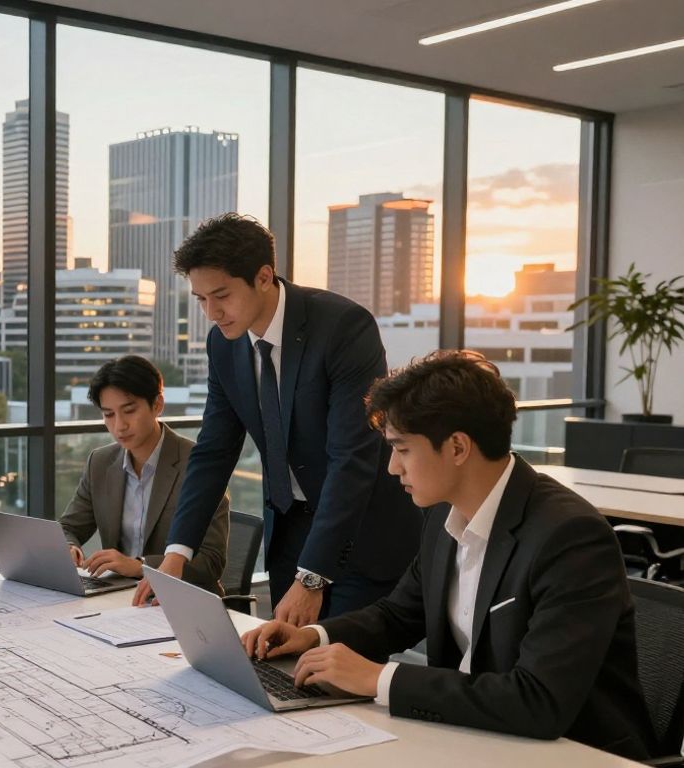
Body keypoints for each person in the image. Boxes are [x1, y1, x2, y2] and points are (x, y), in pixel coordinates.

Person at [241, 351, 655, 759]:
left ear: (458, 447)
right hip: (473, 736)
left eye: (402, 450)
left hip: (572, 752)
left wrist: (379, 678)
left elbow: (539, 701)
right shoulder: (444, 514)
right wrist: (313, 636)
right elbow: (398, 615)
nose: (391, 468)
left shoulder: (569, 537)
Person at [139, 213, 419, 625]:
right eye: (200, 299)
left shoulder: (343, 326)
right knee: (286, 667)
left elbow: (352, 458)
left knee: (335, 667)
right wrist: (177, 553)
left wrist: (313, 580)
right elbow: (214, 450)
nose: (211, 313)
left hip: (358, 533)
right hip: (289, 532)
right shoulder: (224, 343)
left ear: (264, 276)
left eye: (221, 295)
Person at [59, 355, 230, 596]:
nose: (119, 426)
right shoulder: (100, 462)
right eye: (109, 414)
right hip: (119, 597)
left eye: (129, 411)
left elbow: (211, 563)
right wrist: (69, 546)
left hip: (184, 601)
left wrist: (141, 566)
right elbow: (68, 526)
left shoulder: (198, 464)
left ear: (157, 405)